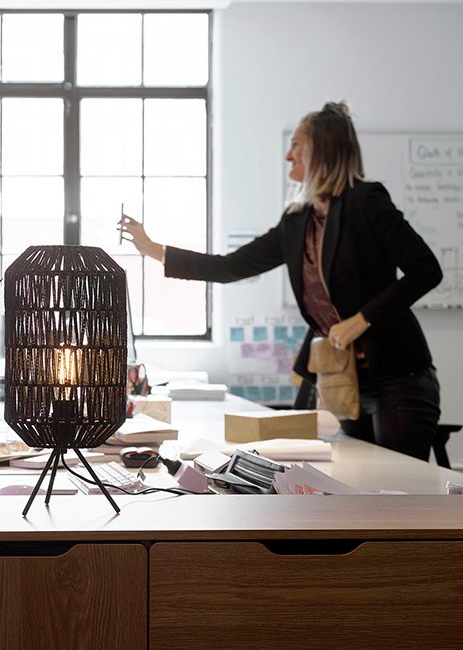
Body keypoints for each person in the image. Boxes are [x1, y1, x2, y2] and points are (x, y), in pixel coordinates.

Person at [120, 101, 443, 460]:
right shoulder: (296, 222)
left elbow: (427, 270)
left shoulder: (367, 202)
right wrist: (153, 249)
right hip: (344, 381)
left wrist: (362, 319)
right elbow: (230, 267)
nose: (289, 156)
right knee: (364, 488)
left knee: (401, 493)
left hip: (398, 378)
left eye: (296, 145)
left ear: (322, 150)